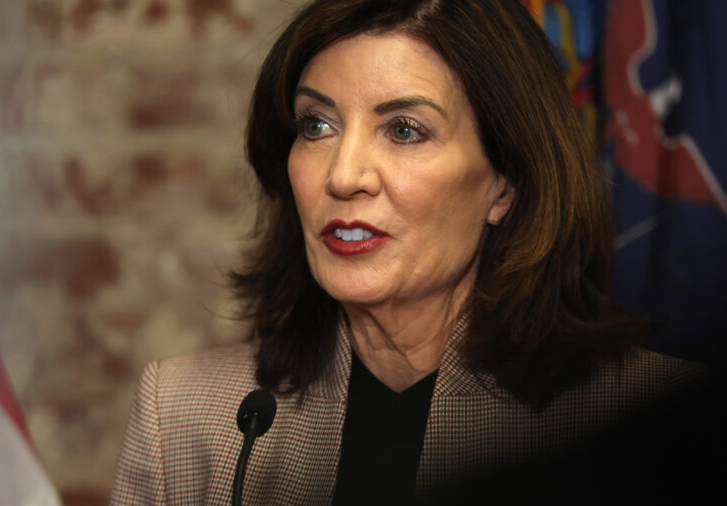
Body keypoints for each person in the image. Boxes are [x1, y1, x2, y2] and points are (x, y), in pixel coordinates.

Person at [110, 1, 708, 504]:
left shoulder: (648, 429)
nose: (343, 176)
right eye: (316, 125)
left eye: (404, 130)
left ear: (505, 184)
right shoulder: (185, 418)